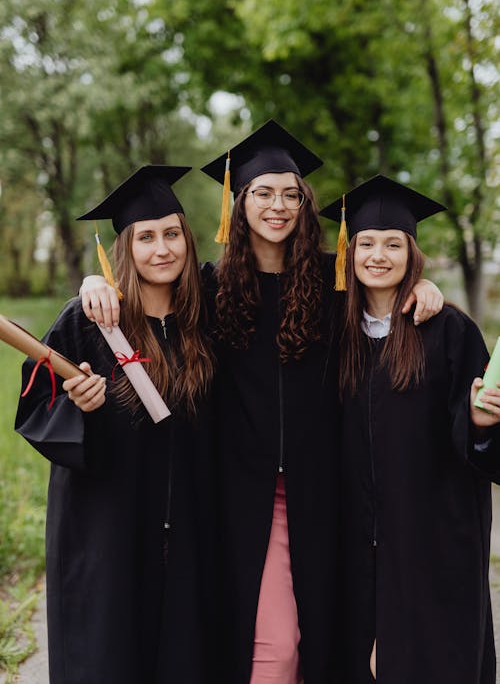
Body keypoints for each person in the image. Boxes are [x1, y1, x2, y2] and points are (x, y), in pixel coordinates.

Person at [79, 121, 444, 684]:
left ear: (304, 201)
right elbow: (147, 290)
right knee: (273, 643)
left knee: (326, 629)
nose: (277, 205)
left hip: (327, 489)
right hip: (239, 494)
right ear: (238, 202)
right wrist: (92, 283)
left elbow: (388, 291)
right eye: (262, 192)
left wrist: (423, 287)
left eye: (290, 193)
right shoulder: (207, 286)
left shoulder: (335, 279)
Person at [15, 166, 217, 684]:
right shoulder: (88, 321)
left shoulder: (208, 314)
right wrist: (77, 406)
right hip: (105, 531)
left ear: (187, 240)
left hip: (188, 528)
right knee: (107, 656)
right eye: (145, 238)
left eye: (172, 233)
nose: (161, 248)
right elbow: (36, 406)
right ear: (124, 248)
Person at [321, 174, 500, 684]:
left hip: (434, 540)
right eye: (367, 244)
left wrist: (482, 424)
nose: (379, 255)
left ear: (412, 254)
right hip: (352, 537)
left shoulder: (450, 331)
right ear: (349, 252)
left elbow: (483, 444)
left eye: (394, 244)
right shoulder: (330, 330)